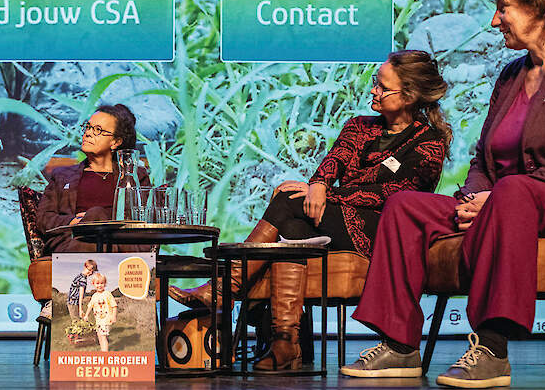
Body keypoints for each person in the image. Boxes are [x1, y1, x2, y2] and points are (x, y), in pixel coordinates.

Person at [342, 0, 545, 389]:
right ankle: (399, 345)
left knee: (513, 192)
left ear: (540, 3)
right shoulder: (511, 75)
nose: (494, 19)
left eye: (503, 6)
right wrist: (474, 199)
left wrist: (496, 198)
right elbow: (484, 159)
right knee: (405, 205)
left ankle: (492, 347)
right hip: (503, 201)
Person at [171, 50, 451, 371]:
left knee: (290, 201)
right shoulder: (359, 126)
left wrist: (327, 194)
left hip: (384, 232)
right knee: (294, 229)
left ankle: (224, 288)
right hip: (338, 219)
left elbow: (395, 194)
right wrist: (318, 182)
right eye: (375, 83)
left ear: (410, 96)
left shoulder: (428, 143)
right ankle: (285, 344)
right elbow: (335, 160)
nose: (374, 90)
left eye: (382, 87)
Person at [34, 104, 151, 323]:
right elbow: (43, 220)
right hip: (72, 240)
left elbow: (141, 218)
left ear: (116, 142)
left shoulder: (135, 177)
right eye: (88, 127)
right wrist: (74, 221)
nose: (88, 132)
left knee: (99, 217)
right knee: (94, 218)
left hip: (121, 245)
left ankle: (66, 298)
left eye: (98, 130)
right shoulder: (62, 175)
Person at [82, 273, 117, 352]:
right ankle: (102, 350)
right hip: (98, 320)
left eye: (102, 283)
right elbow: (90, 305)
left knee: (103, 337)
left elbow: (114, 305)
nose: (100, 285)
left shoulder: (107, 294)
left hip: (106, 319)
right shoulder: (94, 296)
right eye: (97, 283)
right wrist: (86, 315)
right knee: (99, 336)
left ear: (105, 284)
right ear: (93, 284)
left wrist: (113, 316)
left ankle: (105, 353)